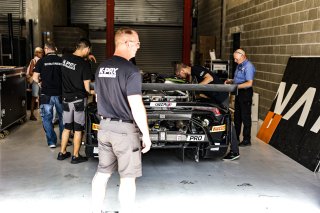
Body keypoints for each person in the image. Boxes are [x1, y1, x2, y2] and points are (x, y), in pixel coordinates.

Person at [91, 27, 151, 213]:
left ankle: (95, 210)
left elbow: (98, 98)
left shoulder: (101, 68)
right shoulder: (131, 70)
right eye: (137, 43)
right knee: (127, 177)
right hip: (124, 131)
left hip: (104, 127)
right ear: (126, 43)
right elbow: (136, 105)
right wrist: (146, 135)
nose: (138, 47)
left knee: (102, 173)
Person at [175, 63, 240, 160]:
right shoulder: (195, 73)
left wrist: (195, 87)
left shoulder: (195, 69)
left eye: (179, 74)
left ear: (182, 70)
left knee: (227, 121)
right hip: (215, 97)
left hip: (221, 97)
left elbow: (209, 78)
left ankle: (234, 151)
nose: (180, 76)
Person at [57, 38, 92, 164]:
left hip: (66, 99)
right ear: (86, 49)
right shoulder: (84, 64)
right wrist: (94, 92)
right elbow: (87, 88)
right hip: (78, 100)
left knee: (67, 128)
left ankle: (62, 153)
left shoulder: (65, 58)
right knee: (78, 129)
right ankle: (75, 156)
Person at [33, 41, 64, 148]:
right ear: (54, 49)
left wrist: (40, 84)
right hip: (60, 93)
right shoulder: (62, 60)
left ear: (46, 49)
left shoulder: (41, 61)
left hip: (46, 94)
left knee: (47, 118)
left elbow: (34, 77)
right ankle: (64, 140)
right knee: (62, 117)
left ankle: (51, 142)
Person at [225, 49, 256, 147]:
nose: (235, 61)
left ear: (242, 56)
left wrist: (235, 86)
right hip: (239, 92)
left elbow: (249, 83)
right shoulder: (239, 65)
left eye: (236, 59)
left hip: (245, 93)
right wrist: (231, 81)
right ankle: (236, 138)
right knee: (237, 117)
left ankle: (247, 140)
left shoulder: (248, 66)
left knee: (245, 117)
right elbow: (239, 79)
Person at [26, 47, 44, 121]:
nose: (41, 53)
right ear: (36, 53)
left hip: (39, 81)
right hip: (35, 81)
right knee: (34, 97)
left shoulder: (40, 60)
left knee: (39, 97)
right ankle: (32, 115)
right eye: (40, 52)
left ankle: (40, 114)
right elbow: (30, 72)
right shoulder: (34, 60)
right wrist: (39, 74)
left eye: (42, 52)